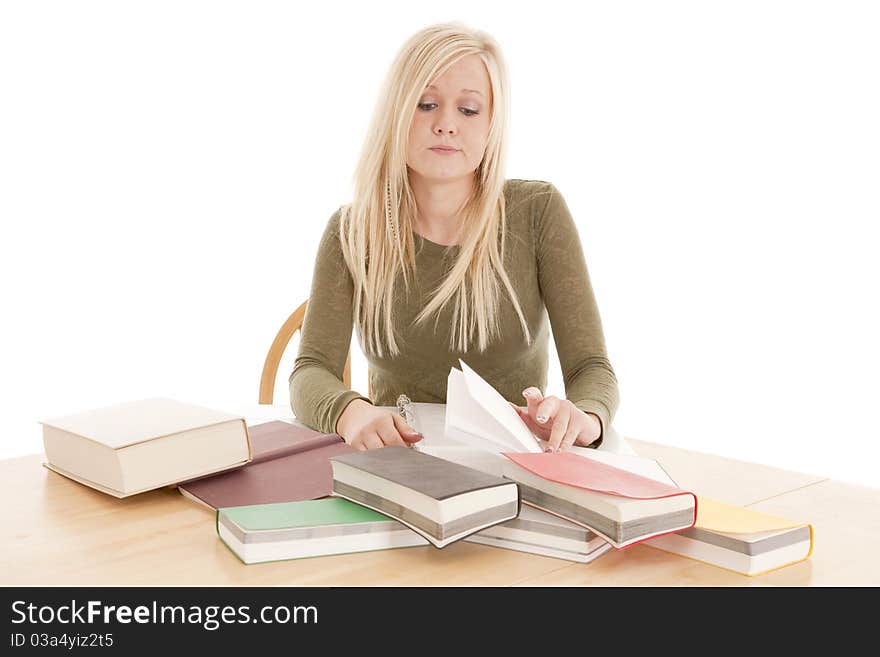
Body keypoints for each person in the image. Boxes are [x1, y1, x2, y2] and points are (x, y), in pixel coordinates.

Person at [289, 21, 619, 453]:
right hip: (401, 467)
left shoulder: (538, 211)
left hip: (516, 465)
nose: (446, 124)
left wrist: (585, 416)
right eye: (426, 104)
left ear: (491, 125)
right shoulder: (351, 232)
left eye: (468, 110)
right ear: (397, 113)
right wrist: (351, 411)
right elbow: (311, 370)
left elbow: (592, 369)